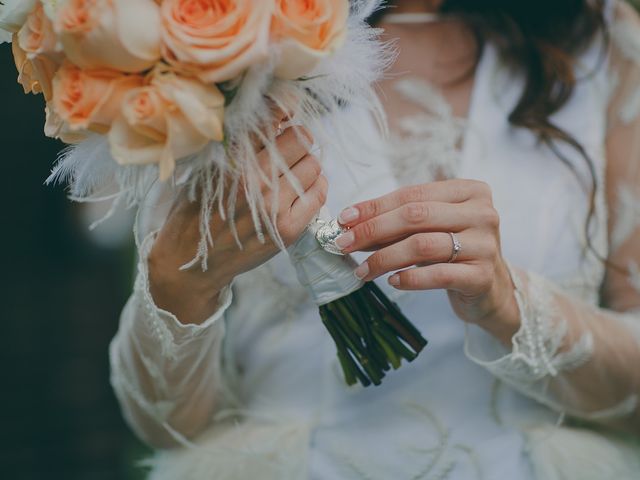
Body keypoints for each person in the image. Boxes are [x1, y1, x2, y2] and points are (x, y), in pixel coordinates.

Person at [109, 1, 640, 478]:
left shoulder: (602, 40)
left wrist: (511, 305)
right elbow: (165, 425)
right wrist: (182, 282)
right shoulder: (214, 38)